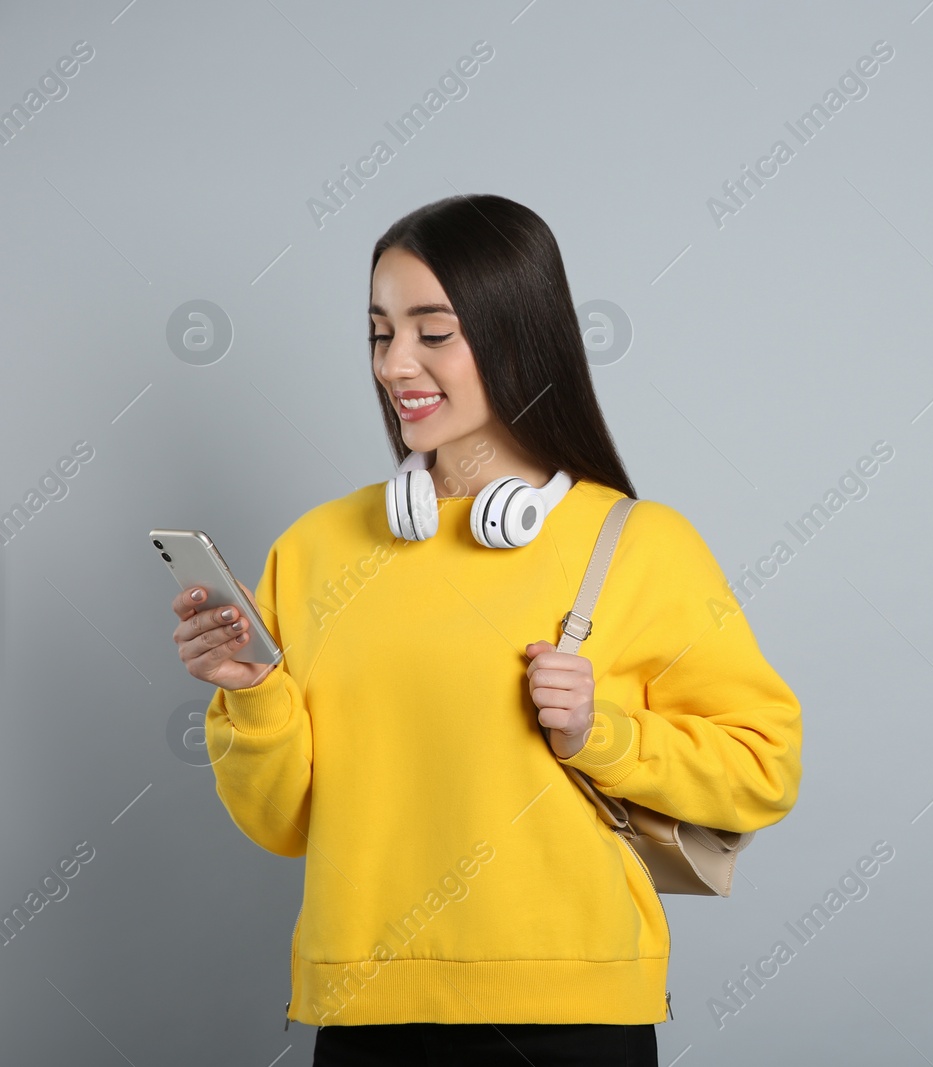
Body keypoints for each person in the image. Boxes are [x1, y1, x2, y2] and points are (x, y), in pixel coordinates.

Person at [168, 194, 804, 1065]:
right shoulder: (315, 550)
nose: (397, 364)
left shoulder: (640, 544)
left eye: (435, 332)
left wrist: (600, 733)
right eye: (380, 332)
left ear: (518, 336)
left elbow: (764, 770)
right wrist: (255, 700)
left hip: (573, 1017)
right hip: (367, 1012)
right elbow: (283, 824)